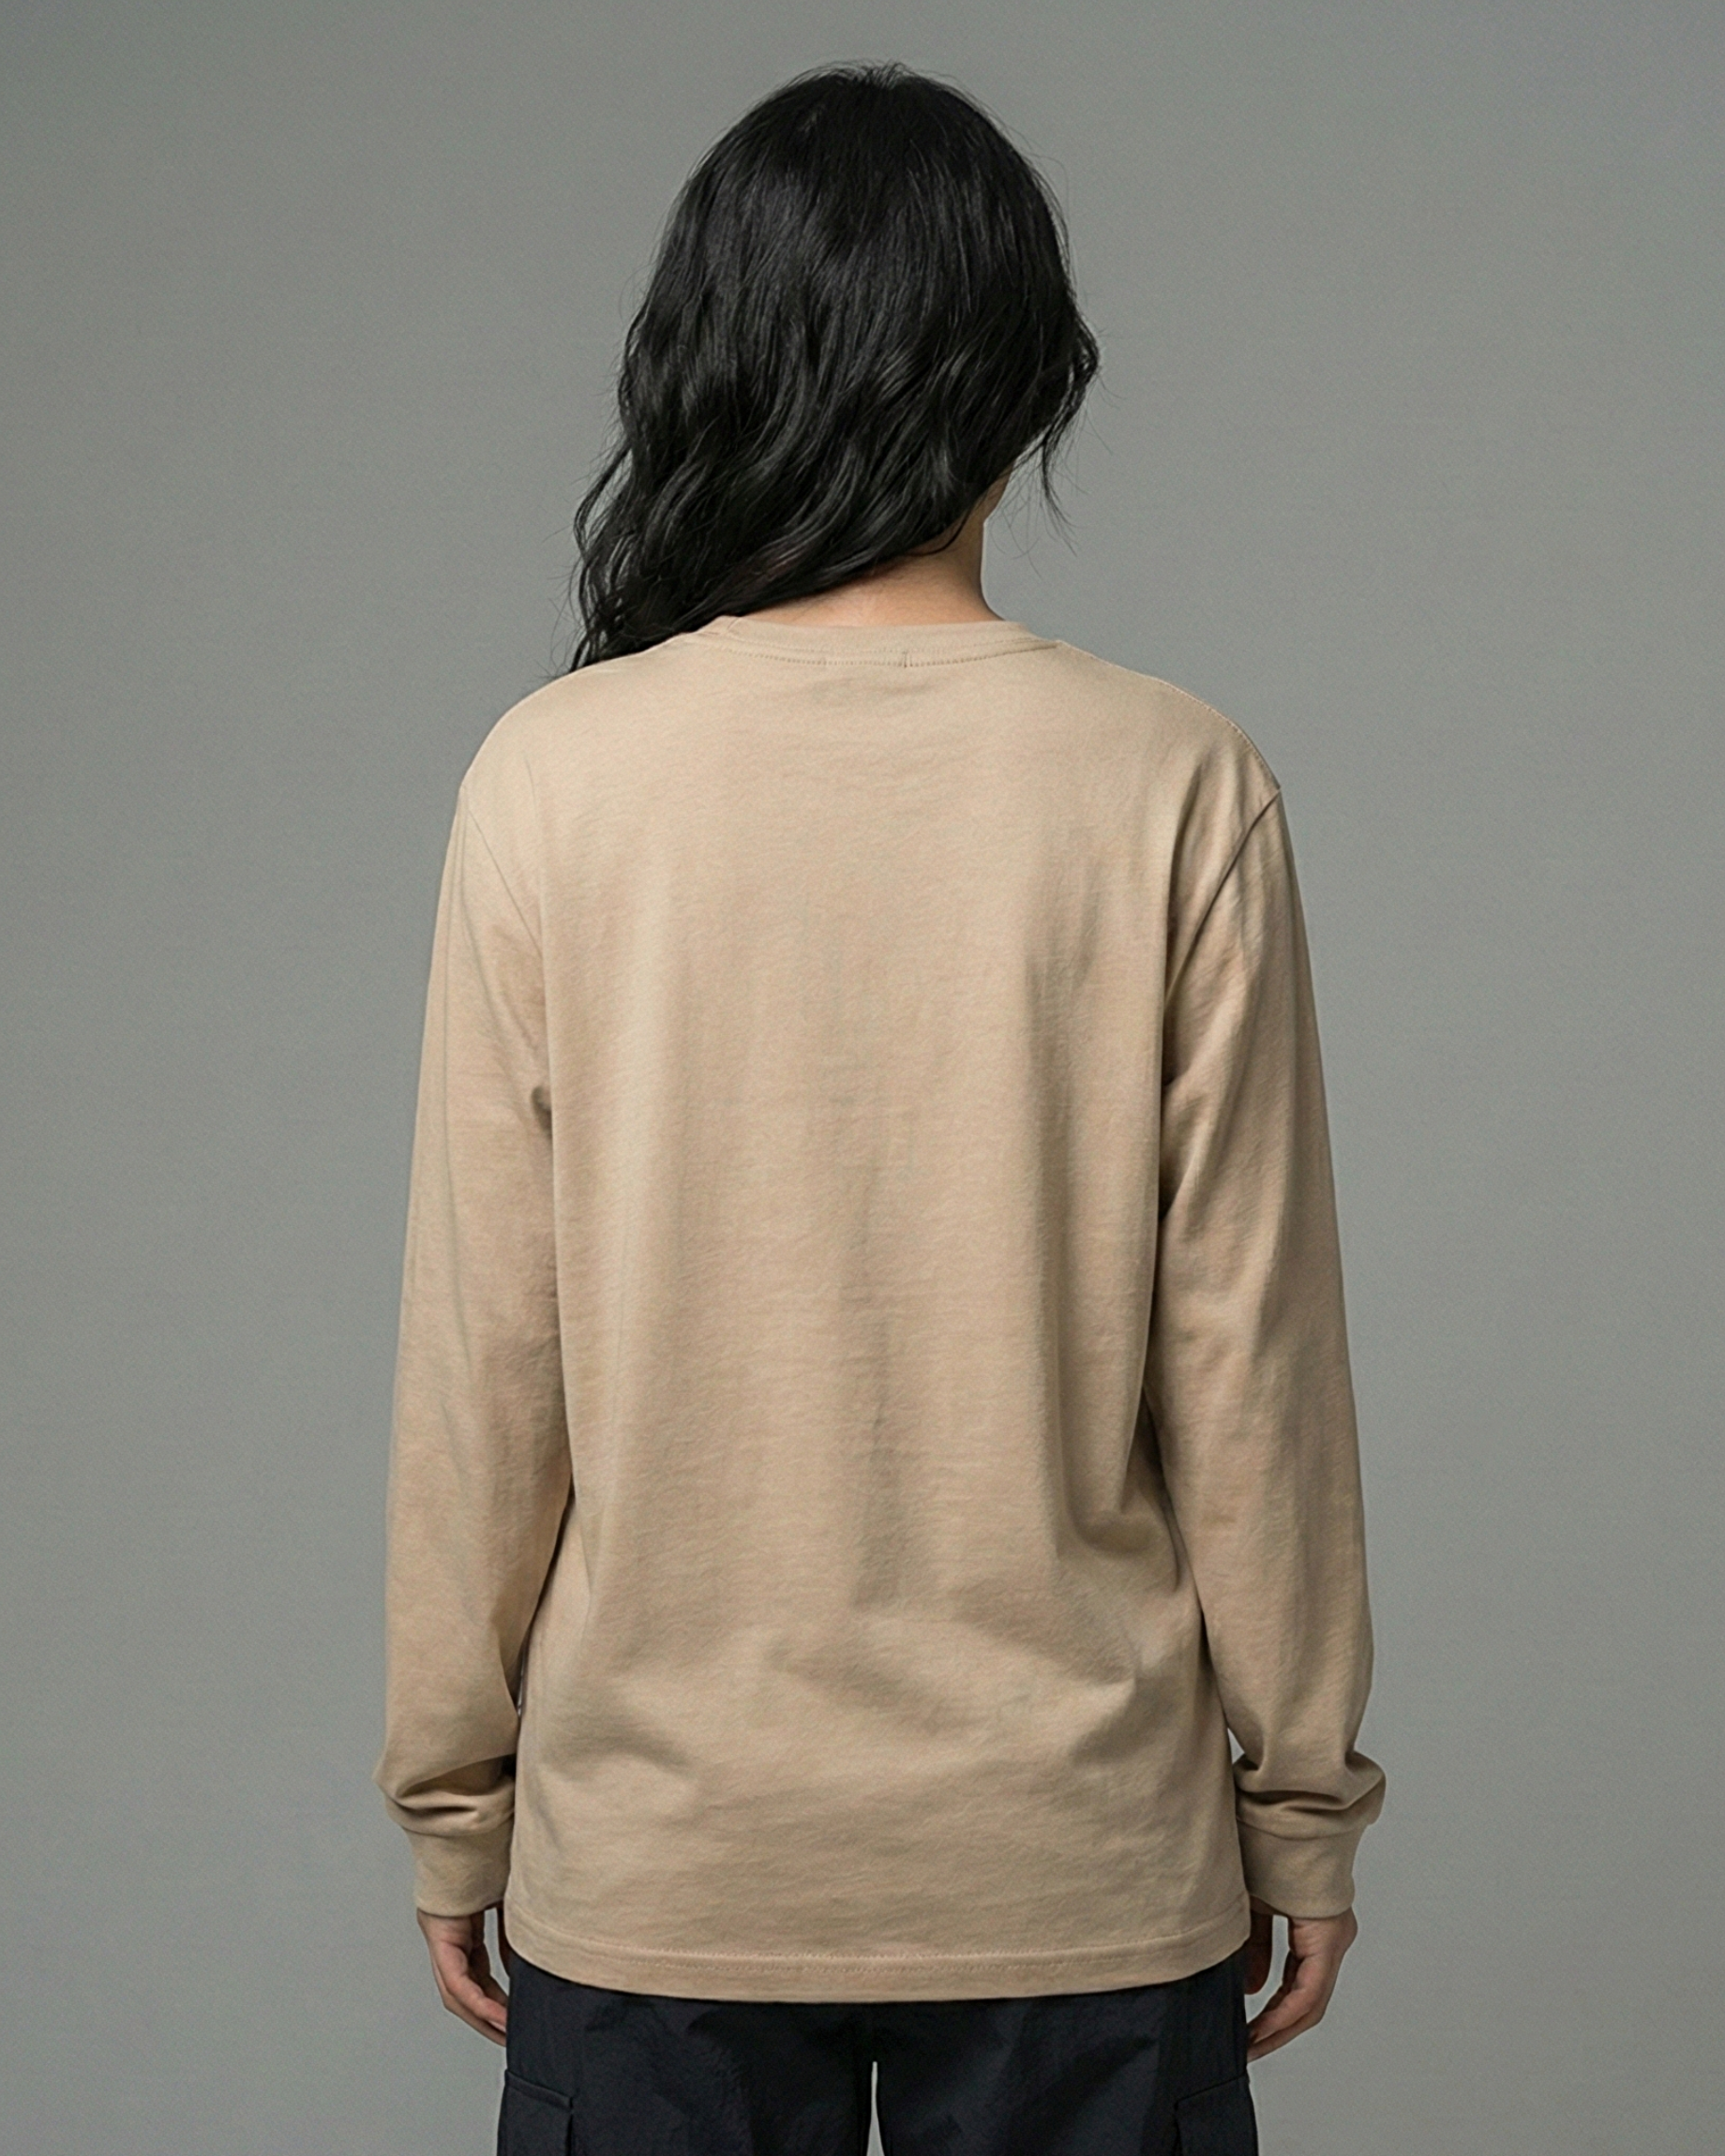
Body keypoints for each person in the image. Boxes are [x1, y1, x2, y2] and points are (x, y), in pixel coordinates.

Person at [372, 59, 1387, 2156]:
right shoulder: (1171, 782)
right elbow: (1251, 1364)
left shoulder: (554, 780)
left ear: (711, 369)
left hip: (665, 1862)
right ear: (1019, 383)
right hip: (1077, 1865)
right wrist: (1297, 1805)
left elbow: (487, 1356)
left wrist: (455, 1796)